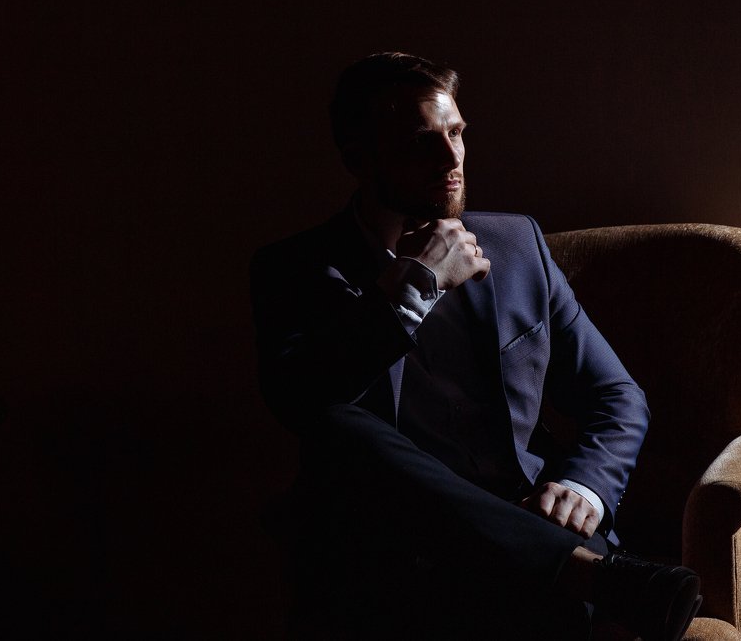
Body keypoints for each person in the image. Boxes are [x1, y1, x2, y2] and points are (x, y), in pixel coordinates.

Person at [250, 52, 702, 640]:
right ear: (358, 159)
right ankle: (585, 575)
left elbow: (616, 394)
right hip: (399, 554)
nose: (452, 159)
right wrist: (417, 285)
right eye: (422, 142)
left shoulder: (517, 244)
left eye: (457, 132)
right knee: (335, 421)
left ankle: (567, 568)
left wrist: (585, 486)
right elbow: (298, 402)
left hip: (536, 514)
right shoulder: (296, 271)